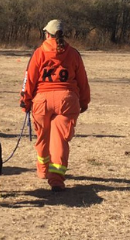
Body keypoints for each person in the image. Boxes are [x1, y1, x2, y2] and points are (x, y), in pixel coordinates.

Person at [19, 19, 90, 192]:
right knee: (60, 140)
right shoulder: (73, 53)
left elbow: (30, 79)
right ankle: (56, 179)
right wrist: (84, 102)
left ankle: (43, 170)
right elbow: (83, 81)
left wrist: (25, 101)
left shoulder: (39, 52)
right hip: (67, 100)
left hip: (41, 101)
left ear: (47, 34)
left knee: (43, 138)